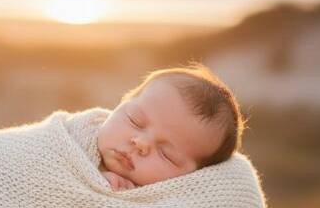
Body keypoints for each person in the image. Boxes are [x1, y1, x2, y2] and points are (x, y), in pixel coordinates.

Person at [97, 62, 244, 191]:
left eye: (166, 155)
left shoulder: (175, 206)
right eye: (134, 120)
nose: (141, 143)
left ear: (193, 176)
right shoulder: (84, 136)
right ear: (122, 102)